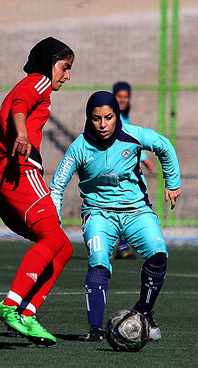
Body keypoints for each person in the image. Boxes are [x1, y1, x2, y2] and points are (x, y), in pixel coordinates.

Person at [49, 91, 181, 342]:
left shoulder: (134, 135)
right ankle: (96, 330)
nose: (102, 124)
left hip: (136, 211)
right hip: (98, 214)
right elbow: (57, 186)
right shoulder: (79, 147)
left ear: (116, 116)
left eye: (108, 117)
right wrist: (55, 222)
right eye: (96, 118)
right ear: (89, 119)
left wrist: (172, 182)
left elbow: (164, 146)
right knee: (98, 260)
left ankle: (144, 313)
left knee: (158, 254)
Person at [0, 37, 75, 346]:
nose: (67, 76)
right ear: (48, 63)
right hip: (21, 173)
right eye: (64, 68)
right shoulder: (37, 81)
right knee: (53, 239)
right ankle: (11, 306)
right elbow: (19, 107)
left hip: (4, 179)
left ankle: (27, 313)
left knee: (63, 247)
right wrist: (22, 133)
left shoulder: (33, 86)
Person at [111, 81, 154, 259]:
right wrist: (143, 158)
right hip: (113, 167)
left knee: (123, 204)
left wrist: (142, 159)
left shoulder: (123, 116)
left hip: (124, 166)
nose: (122, 100)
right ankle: (111, 247)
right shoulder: (110, 115)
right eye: (119, 96)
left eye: (125, 97)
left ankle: (121, 246)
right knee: (115, 205)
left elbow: (129, 139)